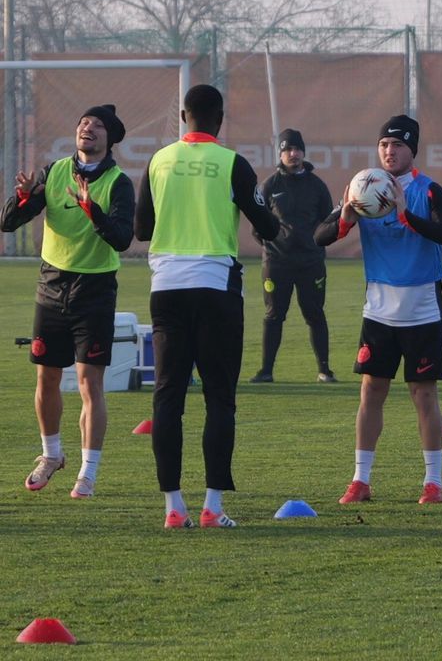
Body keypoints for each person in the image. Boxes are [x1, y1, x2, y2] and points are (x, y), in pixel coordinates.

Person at [134, 84, 280, 529]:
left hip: (167, 288)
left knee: (167, 396)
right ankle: (213, 507)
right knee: (219, 397)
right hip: (216, 287)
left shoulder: (158, 161)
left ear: (184, 116)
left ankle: (173, 508)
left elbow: (142, 229)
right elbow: (268, 228)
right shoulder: (231, 163)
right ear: (220, 119)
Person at [316, 115, 442, 506]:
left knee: (424, 395)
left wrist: (405, 216)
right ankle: (360, 480)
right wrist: (345, 219)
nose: (389, 151)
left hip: (422, 308)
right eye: (383, 144)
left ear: (412, 149)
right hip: (379, 309)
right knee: (371, 391)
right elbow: (320, 236)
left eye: (397, 145)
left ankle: (433, 483)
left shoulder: (429, 191)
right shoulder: (363, 187)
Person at [2, 105, 134, 499]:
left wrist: (92, 210)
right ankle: (51, 456)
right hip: (51, 288)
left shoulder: (118, 183)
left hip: (94, 293)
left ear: (110, 139)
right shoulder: (54, 172)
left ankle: (88, 472)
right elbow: (8, 223)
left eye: (96, 126)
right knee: (47, 377)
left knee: (90, 383)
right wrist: (21, 199)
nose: (87, 128)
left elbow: (123, 239)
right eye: (82, 123)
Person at [249, 129, 337, 384]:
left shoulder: (317, 186)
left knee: (315, 314)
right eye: (288, 149)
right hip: (277, 264)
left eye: (297, 149)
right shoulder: (270, 185)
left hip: (311, 262)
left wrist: (315, 246)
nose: (293, 154)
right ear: (280, 153)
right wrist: (274, 246)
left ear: (303, 152)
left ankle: (325, 370)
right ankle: (266, 371)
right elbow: (258, 224)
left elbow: (328, 222)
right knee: (274, 315)